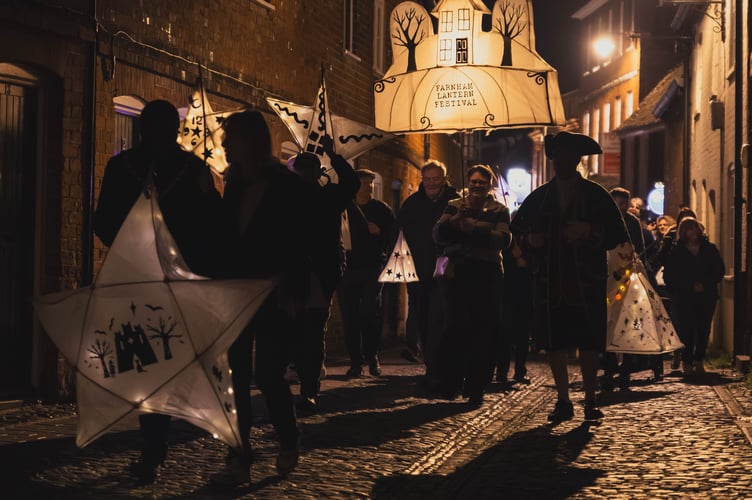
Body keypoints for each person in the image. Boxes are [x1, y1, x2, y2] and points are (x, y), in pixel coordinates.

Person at [93, 99, 225, 483]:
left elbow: (103, 222)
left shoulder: (123, 167)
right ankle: (154, 443)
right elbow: (210, 225)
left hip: (146, 279)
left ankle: (153, 446)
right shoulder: (190, 169)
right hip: (163, 280)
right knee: (154, 360)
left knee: (153, 360)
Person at [211, 110, 313, 485]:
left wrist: (293, 287)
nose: (224, 145)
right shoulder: (233, 184)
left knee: (269, 373)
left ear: (249, 140)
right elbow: (225, 239)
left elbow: (301, 242)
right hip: (237, 292)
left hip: (273, 291)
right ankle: (239, 454)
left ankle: (288, 440)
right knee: (235, 375)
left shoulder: (286, 186)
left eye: (230, 138)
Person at [510, 131, 629, 422]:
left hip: (586, 280)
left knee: (588, 342)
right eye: (557, 156)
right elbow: (519, 231)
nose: (561, 162)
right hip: (550, 281)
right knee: (555, 342)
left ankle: (590, 399)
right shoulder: (540, 197)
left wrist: (588, 231)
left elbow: (617, 234)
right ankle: (563, 399)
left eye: (567, 156)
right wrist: (530, 241)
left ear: (576, 160)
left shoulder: (596, 196)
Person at [287, 146, 360, 414]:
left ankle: (307, 387)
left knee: (305, 330)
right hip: (310, 272)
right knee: (310, 332)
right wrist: (334, 157)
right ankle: (308, 388)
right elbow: (351, 182)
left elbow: (351, 184)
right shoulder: (326, 195)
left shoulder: (290, 197)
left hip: (310, 273)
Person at [433, 164, 511, 406]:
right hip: (458, 273)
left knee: (484, 331)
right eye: (474, 181)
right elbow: (438, 234)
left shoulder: (499, 209)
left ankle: (476, 386)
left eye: (482, 182)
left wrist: (475, 228)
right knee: (455, 327)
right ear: (468, 183)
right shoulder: (455, 206)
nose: (477, 186)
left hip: (486, 274)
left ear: (490, 185)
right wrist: (455, 222)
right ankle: (451, 381)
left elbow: (504, 239)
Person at [394, 160, 459, 388]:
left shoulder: (456, 201)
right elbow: (398, 233)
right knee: (423, 319)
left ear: (444, 178)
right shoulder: (411, 204)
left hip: (445, 272)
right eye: (428, 179)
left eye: (436, 179)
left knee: (440, 320)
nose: (431, 183)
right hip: (419, 272)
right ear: (422, 180)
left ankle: (439, 369)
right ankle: (431, 366)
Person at [337, 169, 395, 377]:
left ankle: (373, 357)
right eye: (363, 183)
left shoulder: (382, 210)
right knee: (350, 315)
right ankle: (355, 361)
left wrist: (380, 233)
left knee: (370, 312)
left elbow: (392, 237)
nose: (368, 186)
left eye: (370, 183)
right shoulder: (344, 208)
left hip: (373, 267)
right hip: (348, 268)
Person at [663, 217, 725, 377]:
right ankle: (687, 360)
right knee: (687, 330)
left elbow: (719, 270)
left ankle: (699, 360)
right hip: (684, 297)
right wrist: (687, 286)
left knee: (703, 328)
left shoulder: (709, 249)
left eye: (696, 228)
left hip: (706, 296)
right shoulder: (677, 251)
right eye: (690, 228)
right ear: (683, 232)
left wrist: (705, 283)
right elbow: (670, 275)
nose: (694, 231)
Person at [603, 187, 646, 390]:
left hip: (630, 275)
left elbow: (638, 247)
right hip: (611, 275)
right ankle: (609, 368)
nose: (621, 207)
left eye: (624, 203)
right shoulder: (604, 220)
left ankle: (627, 368)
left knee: (631, 321)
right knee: (610, 323)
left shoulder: (632, 222)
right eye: (618, 203)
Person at [496, 231, 533, 387]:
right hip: (508, 292)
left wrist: (525, 261)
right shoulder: (507, 240)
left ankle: (519, 370)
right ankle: (502, 371)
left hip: (524, 293)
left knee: (523, 335)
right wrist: (513, 258)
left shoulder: (530, 240)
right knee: (505, 333)